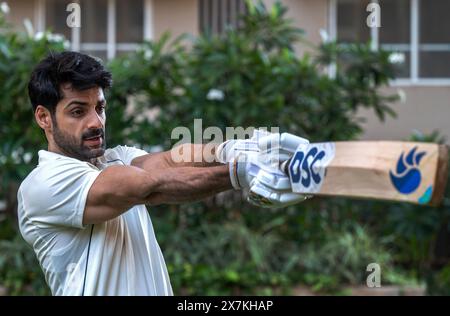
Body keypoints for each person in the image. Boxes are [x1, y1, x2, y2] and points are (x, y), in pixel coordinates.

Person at [17, 51, 308, 296]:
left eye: (100, 107)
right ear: (44, 117)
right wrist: (239, 172)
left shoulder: (114, 159)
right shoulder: (43, 184)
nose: (96, 122)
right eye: (78, 111)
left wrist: (237, 148)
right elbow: (146, 187)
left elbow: (171, 162)